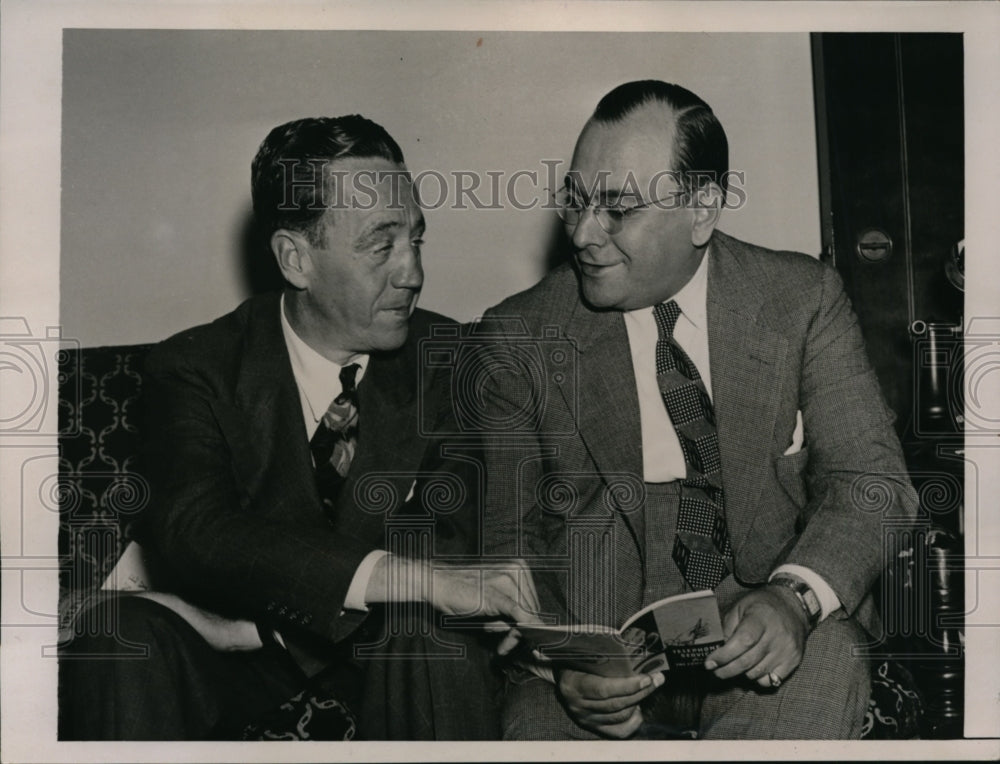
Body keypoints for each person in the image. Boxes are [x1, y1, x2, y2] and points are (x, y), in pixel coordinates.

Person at [59, 115, 537, 740]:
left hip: (390, 655)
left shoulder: (456, 361)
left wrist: (249, 629)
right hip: (233, 671)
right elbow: (195, 530)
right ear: (295, 258)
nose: (412, 272)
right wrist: (406, 582)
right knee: (116, 637)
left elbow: (456, 547)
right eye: (381, 244)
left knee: (430, 633)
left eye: (416, 240)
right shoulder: (195, 368)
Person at [477, 80, 918, 739]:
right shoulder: (518, 337)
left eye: (616, 209)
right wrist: (564, 663)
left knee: (831, 661)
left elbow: (874, 483)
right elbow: (505, 548)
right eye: (575, 202)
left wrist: (794, 599)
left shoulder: (800, 300)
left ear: (702, 208)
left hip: (765, 637)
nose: (583, 233)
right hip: (593, 674)